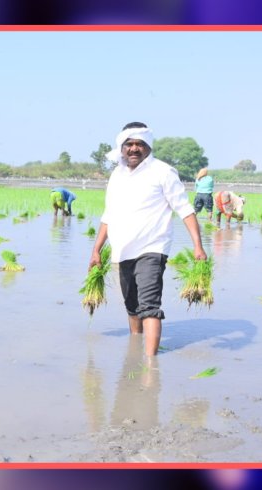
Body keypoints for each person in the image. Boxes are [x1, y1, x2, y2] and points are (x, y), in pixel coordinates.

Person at [89, 122, 206, 357]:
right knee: (131, 306)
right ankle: (134, 351)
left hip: (152, 248)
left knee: (149, 306)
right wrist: (96, 250)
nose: (134, 149)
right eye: (129, 144)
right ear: (122, 147)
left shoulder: (163, 172)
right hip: (122, 250)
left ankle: (151, 365)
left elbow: (185, 209)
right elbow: (108, 215)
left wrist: (198, 246)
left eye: (139, 144)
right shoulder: (117, 175)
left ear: (148, 146)